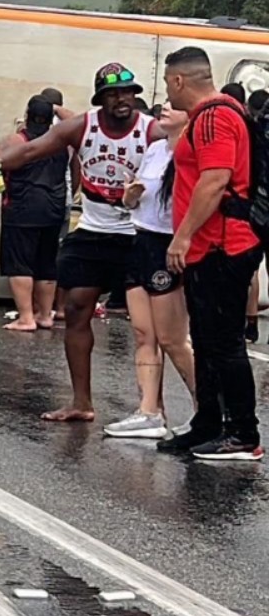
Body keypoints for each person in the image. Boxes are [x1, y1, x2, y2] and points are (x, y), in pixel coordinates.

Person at [0, 63, 154, 423]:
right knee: (76, 309)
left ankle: (152, 409)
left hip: (137, 235)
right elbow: (30, 150)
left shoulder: (152, 131)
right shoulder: (83, 126)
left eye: (128, 92)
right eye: (113, 94)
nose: (122, 99)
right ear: (101, 99)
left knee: (147, 327)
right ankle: (81, 403)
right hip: (93, 233)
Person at [160, 47, 263, 461]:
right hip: (211, 247)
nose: (167, 93)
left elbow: (215, 180)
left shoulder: (214, 118)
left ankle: (243, 433)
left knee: (224, 343)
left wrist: (182, 237)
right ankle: (208, 422)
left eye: (168, 83)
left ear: (179, 80)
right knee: (205, 340)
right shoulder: (214, 114)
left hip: (222, 245)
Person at [107, 104, 197, 439]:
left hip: (167, 245)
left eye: (175, 107)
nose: (165, 109)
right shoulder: (156, 149)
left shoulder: (191, 153)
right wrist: (129, 197)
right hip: (140, 240)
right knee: (143, 333)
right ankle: (149, 412)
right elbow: (134, 200)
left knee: (173, 339)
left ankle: (207, 407)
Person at [0, 95, 66, 332]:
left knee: (19, 264)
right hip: (54, 207)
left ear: (28, 115)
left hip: (22, 208)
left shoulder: (17, 139)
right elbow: (76, 171)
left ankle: (26, 318)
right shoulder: (62, 142)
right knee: (46, 264)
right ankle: (45, 316)